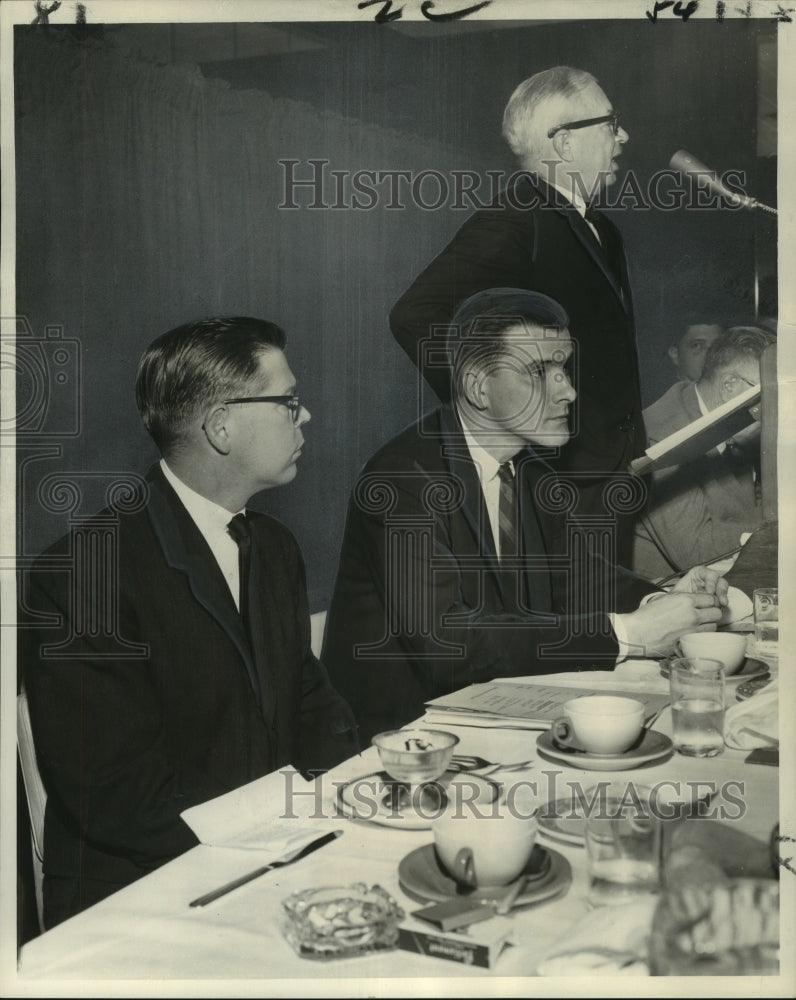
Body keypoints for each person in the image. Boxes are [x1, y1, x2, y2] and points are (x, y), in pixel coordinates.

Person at [20, 316, 357, 928]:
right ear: (221, 426)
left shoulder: (274, 547)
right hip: (147, 900)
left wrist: (340, 806)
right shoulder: (83, 573)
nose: (304, 416)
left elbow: (315, 708)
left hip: (275, 863)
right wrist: (293, 813)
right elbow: (117, 797)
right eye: (288, 402)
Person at [324, 289, 727, 744]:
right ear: (479, 387)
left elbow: (579, 576)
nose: (569, 391)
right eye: (540, 372)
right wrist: (628, 633)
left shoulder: (530, 469)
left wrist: (662, 603)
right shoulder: (403, 478)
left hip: (494, 711)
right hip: (398, 742)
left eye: (563, 368)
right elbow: (448, 644)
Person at [389, 66, 642, 565]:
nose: (624, 136)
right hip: (556, 479)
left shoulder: (604, 232)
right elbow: (415, 315)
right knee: (572, 629)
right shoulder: (514, 218)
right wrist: (501, 411)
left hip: (610, 476)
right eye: (611, 123)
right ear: (565, 143)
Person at [633, 326, 775, 581]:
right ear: (730, 385)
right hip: (666, 596)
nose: (775, 413)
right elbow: (695, 551)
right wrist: (780, 532)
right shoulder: (659, 436)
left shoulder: (729, 422)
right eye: (770, 398)